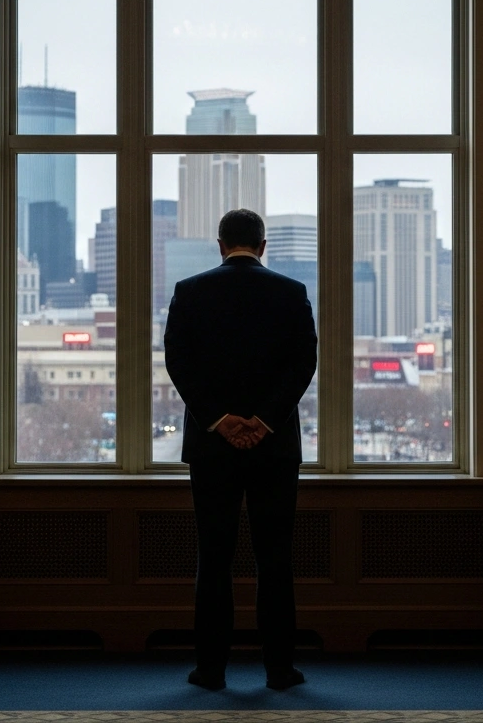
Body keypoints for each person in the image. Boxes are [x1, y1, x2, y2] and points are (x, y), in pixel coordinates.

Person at [163, 208, 318, 692]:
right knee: (275, 560)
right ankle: (280, 671)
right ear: (263, 244)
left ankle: (210, 671)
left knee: (214, 559)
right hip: (275, 447)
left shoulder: (190, 292)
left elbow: (178, 363)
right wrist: (264, 420)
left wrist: (219, 420)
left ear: (220, 244)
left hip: (212, 447)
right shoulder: (292, 292)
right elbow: (304, 364)